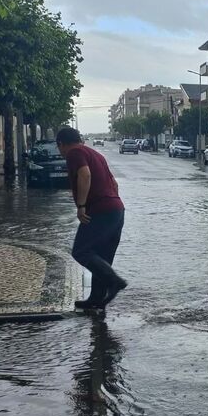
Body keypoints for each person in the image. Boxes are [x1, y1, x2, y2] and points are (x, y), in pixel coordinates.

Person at [56, 127, 127, 311]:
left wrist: (81, 206)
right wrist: (111, 204)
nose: (61, 152)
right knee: (102, 256)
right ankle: (96, 298)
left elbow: (85, 174)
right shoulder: (96, 154)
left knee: (81, 251)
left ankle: (114, 281)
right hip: (117, 210)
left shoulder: (74, 152)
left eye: (59, 148)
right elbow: (114, 183)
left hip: (100, 210)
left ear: (61, 144)